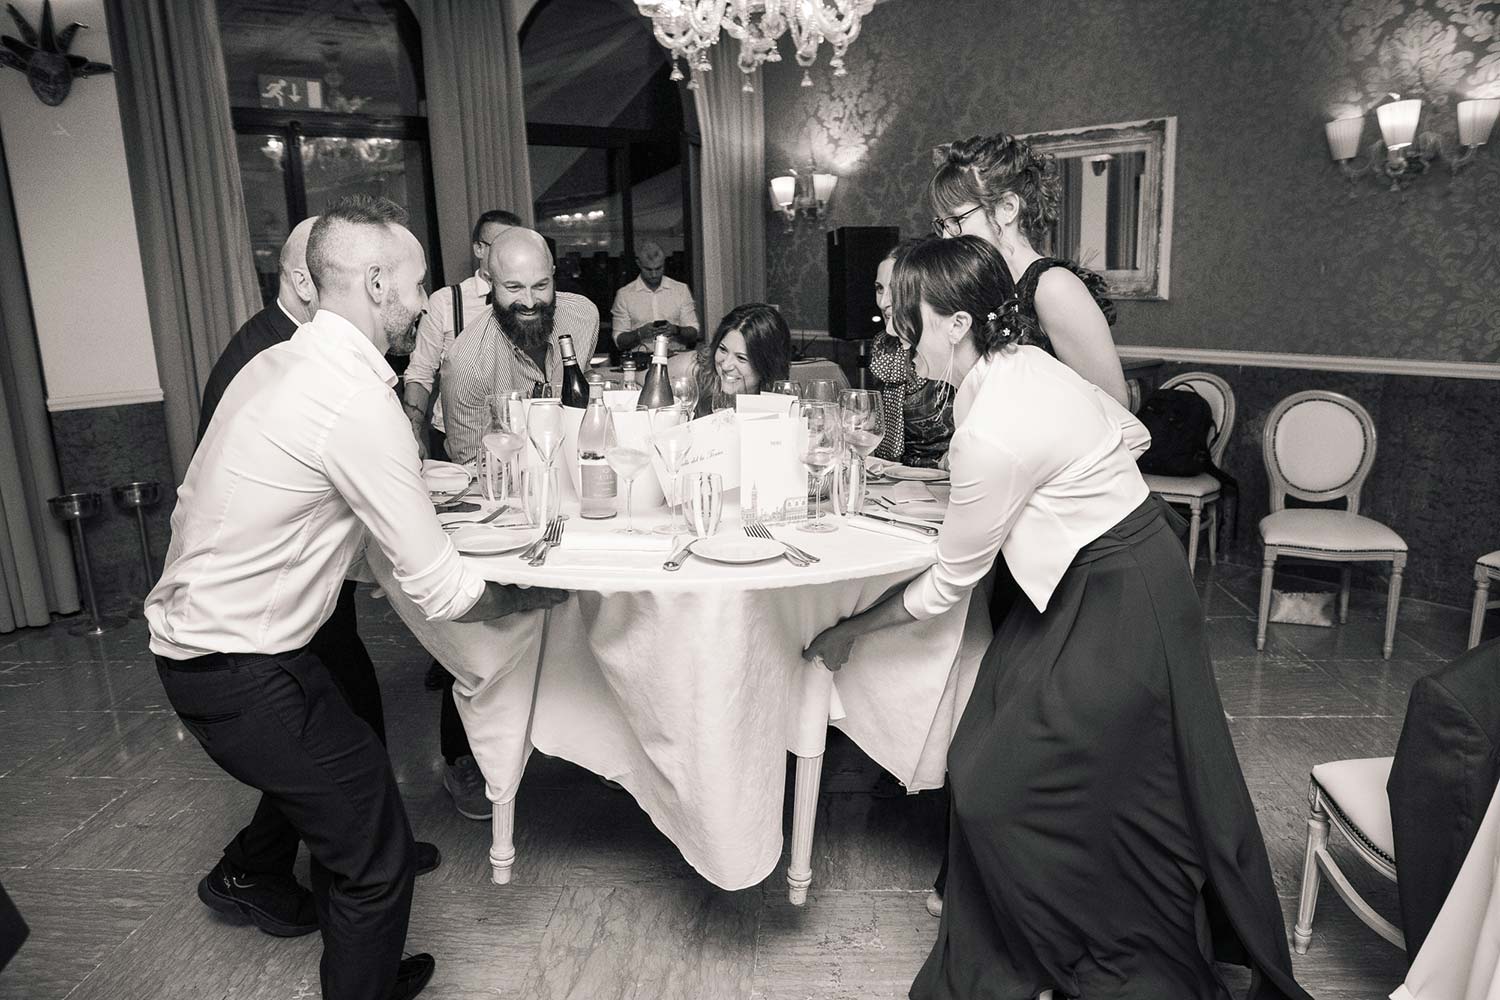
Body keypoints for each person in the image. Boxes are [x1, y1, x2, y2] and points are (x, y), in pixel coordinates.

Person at [804, 236, 1310, 1000]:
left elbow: (948, 583)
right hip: (1097, 576)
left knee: (1005, 783)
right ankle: (1040, 930)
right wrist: (1069, 489)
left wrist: (850, 631)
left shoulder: (993, 429)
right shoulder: (1021, 366)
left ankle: (1095, 940)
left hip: (1121, 594)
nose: (897, 336)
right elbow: (1128, 433)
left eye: (910, 321)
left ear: (958, 324)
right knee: (982, 752)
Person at [146, 195, 566, 1000]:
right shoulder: (354, 400)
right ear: (376, 283)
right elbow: (440, 586)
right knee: (376, 854)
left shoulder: (278, 363)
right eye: (413, 285)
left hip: (228, 645)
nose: (423, 301)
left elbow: (219, 502)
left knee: (359, 802)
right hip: (235, 663)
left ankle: (361, 968)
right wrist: (526, 597)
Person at [194, 215, 445, 940]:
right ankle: (323, 864)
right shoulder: (286, 364)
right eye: (419, 281)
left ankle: (342, 857)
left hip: (268, 614)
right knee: (343, 745)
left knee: (340, 745)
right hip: (248, 625)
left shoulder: (304, 357)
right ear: (311, 277)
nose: (426, 299)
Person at [929, 132, 1130, 407]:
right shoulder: (983, 286)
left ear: (1007, 208)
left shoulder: (1054, 286)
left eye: (956, 220)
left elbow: (1116, 405)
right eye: (942, 224)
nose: (947, 237)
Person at [440, 227, 600, 466]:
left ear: (553, 275)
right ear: (491, 282)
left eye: (540, 285)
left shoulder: (584, 316)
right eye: (513, 287)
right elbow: (474, 471)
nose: (529, 302)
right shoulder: (464, 365)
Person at [401, 208, 522, 460]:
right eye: (499, 245)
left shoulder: (530, 302)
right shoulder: (446, 301)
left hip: (518, 434)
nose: (507, 255)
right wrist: (411, 434)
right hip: (452, 438)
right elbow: (421, 372)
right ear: (479, 249)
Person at [869, 243, 954, 469]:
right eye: (879, 288)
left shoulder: (948, 348)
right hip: (892, 477)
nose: (883, 302)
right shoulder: (883, 345)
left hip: (946, 477)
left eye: (895, 289)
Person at [666, 303, 791, 417]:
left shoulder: (777, 399)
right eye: (723, 349)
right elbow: (649, 386)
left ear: (767, 364)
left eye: (741, 358)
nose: (725, 366)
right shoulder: (694, 367)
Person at [610, 239, 699, 357]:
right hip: (640, 360)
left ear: (664, 263)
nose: (654, 274)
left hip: (676, 357)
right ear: (639, 264)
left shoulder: (680, 290)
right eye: (648, 269)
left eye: (658, 268)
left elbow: (694, 333)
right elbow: (619, 341)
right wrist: (640, 333)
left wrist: (675, 330)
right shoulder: (625, 295)